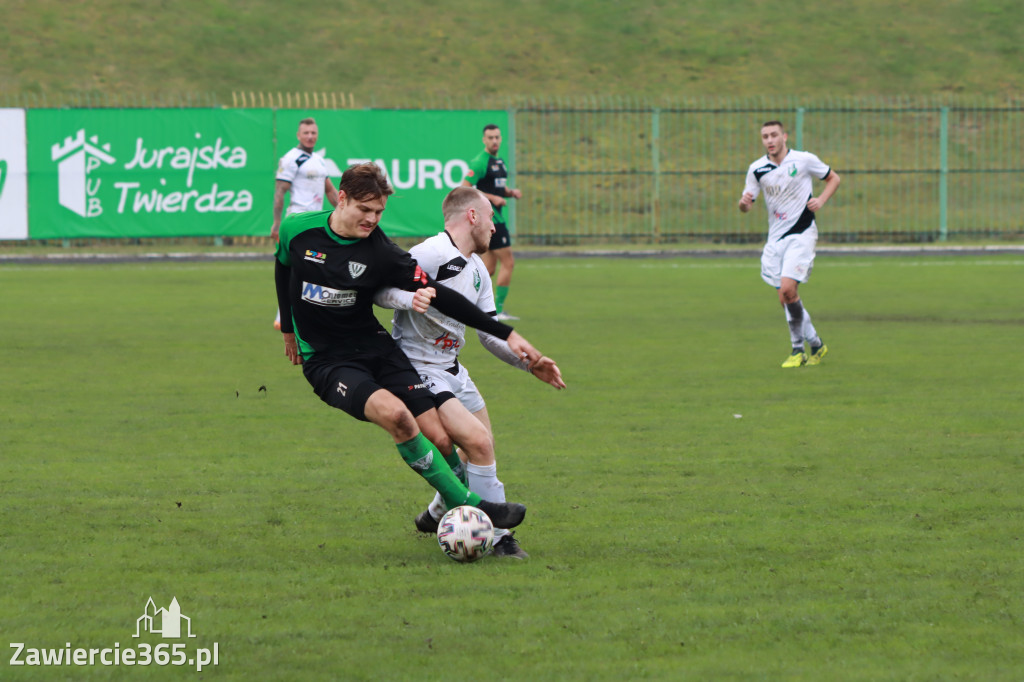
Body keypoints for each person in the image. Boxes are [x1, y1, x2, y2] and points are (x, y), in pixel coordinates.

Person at [275, 162, 552, 533]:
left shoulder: (381, 251)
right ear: (341, 198)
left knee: (439, 438)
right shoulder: (298, 229)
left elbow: (442, 298)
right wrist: (289, 332)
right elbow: (283, 268)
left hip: (378, 349)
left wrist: (505, 333)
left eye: (379, 212)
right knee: (399, 418)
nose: (372, 219)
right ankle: (475, 509)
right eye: (365, 210)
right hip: (329, 360)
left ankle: (442, 513)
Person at [374, 187, 566, 559]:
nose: (495, 228)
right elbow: (380, 290)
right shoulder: (430, 253)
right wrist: (409, 298)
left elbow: (490, 335)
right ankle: (499, 538)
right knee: (478, 443)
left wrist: (529, 363)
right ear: (473, 217)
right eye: (491, 218)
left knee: (481, 448)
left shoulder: (479, 270)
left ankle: (436, 513)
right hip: (418, 366)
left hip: (454, 370)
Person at [738, 120, 841, 368]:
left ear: (784, 136)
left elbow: (833, 178)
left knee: (787, 290)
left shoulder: (803, 160)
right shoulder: (757, 169)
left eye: (774, 135)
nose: (770, 140)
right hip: (775, 239)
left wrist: (821, 200)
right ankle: (816, 344)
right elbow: (746, 205)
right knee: (786, 297)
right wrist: (744, 203)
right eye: (765, 136)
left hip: (802, 232)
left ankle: (797, 351)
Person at [272, 118, 339, 330]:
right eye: (306, 133)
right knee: (299, 267)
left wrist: (343, 211)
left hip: (317, 222)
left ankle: (307, 312)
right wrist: (276, 224)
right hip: (298, 220)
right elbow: (280, 192)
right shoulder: (291, 159)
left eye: (313, 132)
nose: (310, 136)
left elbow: (329, 190)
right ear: (298, 135)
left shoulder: (319, 160)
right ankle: (283, 316)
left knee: (315, 266)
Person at [462, 124, 522, 321]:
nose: (494, 141)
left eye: (497, 137)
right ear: (484, 140)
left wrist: (509, 193)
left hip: (495, 218)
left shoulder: (499, 162)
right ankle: (499, 310)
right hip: (493, 219)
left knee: (488, 269)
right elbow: (466, 188)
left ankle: (464, 303)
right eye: (490, 138)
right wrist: (492, 199)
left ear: (501, 138)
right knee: (509, 263)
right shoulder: (480, 162)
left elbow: (498, 188)